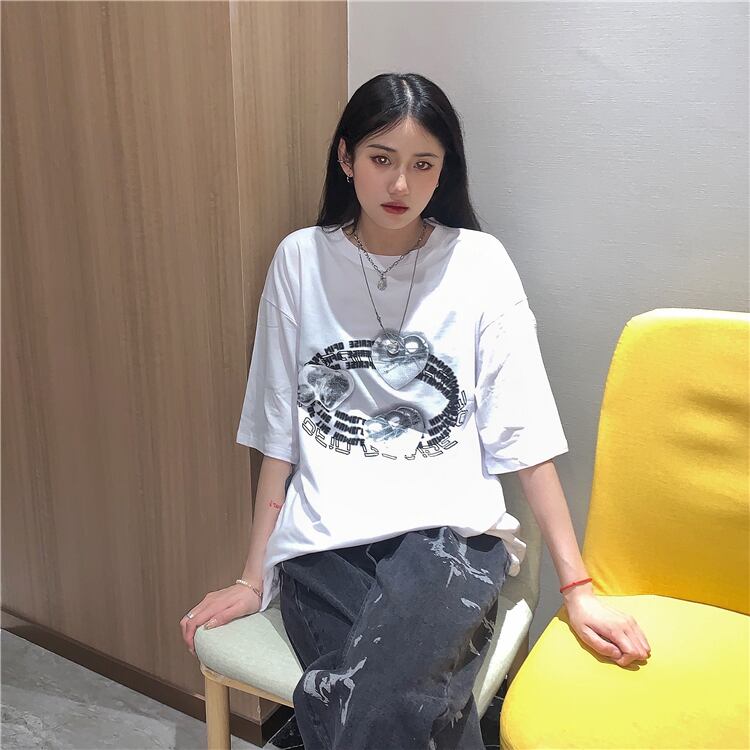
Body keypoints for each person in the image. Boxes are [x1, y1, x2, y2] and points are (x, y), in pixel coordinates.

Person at [180, 72, 651, 749]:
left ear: (443, 171)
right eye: (382, 159)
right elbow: (279, 435)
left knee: (373, 705)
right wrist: (254, 578)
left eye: (423, 164)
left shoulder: (479, 263)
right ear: (346, 159)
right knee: (400, 710)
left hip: (447, 536)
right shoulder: (300, 260)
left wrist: (577, 588)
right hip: (322, 542)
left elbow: (524, 434)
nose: (400, 184)